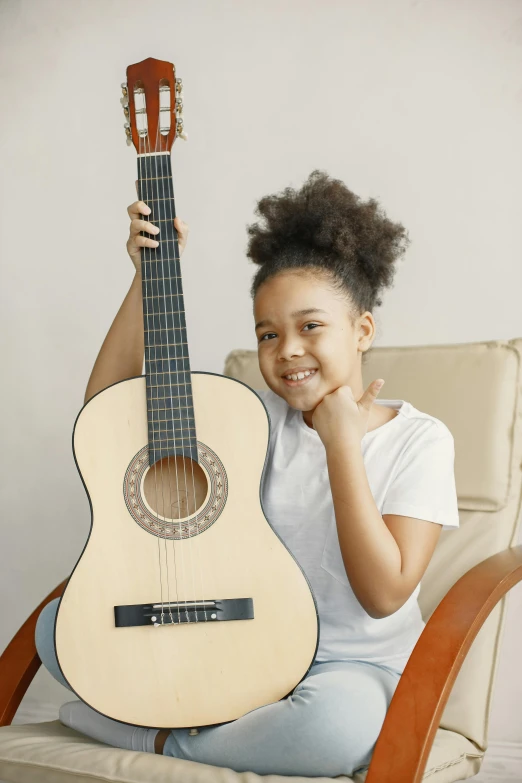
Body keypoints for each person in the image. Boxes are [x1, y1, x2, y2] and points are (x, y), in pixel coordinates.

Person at [35, 170, 460, 777]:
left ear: (362, 329)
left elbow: (383, 594)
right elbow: (109, 410)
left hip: (349, 670)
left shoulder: (420, 439)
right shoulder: (249, 419)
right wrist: (146, 278)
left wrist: (341, 445)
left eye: (310, 326)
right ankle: (214, 715)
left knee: (332, 732)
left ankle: (149, 735)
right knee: (60, 627)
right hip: (236, 641)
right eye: (268, 333)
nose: (287, 349)